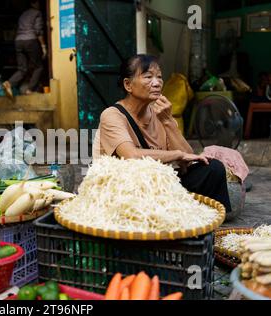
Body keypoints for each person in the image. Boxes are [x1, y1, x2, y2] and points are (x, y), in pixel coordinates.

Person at [93, 54, 232, 212]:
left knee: (213, 168)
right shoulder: (112, 115)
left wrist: (167, 122)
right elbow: (130, 155)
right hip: (127, 189)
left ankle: (210, 221)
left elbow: (188, 158)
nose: (157, 82)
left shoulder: (160, 113)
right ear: (128, 85)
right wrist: (177, 155)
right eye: (148, 77)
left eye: (159, 77)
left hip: (158, 183)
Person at [2, 0, 47, 98]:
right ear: (33, 3)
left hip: (18, 41)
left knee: (22, 69)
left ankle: (9, 83)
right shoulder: (37, 13)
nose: (39, 4)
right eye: (37, 2)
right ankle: (30, 90)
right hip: (30, 40)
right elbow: (38, 31)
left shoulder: (23, 14)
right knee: (39, 67)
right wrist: (43, 46)